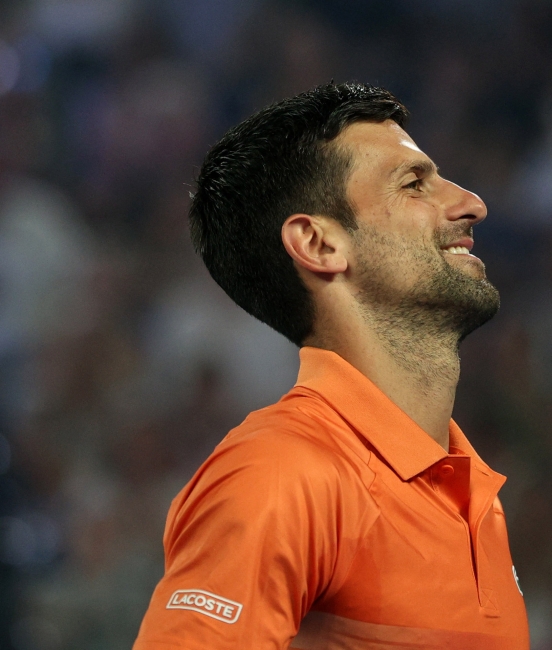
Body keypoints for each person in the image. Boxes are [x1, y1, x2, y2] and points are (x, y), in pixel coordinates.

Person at [133, 82, 530, 649]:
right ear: (318, 244)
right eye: (414, 184)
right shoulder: (282, 472)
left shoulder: (473, 496)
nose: (471, 203)